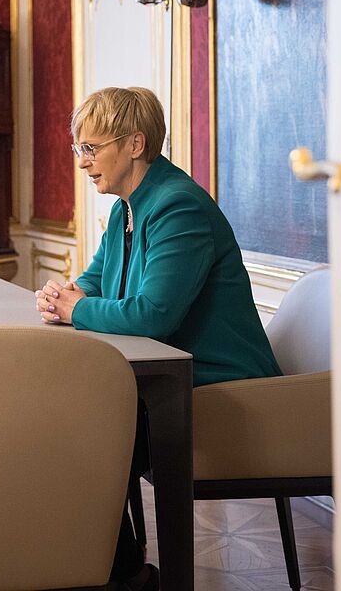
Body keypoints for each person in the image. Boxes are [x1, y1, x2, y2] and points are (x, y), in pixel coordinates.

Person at [35, 87, 282, 590]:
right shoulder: (127, 206)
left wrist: (75, 308)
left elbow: (153, 316)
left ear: (135, 144)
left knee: (81, 427)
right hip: (172, 377)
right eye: (77, 149)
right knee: (66, 419)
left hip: (221, 386)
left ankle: (119, 573)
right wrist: (67, 294)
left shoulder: (177, 207)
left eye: (90, 148)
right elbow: (96, 280)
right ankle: (109, 569)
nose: (82, 162)